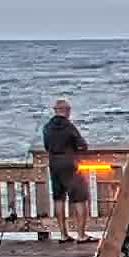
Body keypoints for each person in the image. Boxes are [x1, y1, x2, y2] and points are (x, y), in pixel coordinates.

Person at [42, 98, 94, 243]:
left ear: (55, 111)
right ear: (66, 111)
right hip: (70, 165)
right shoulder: (69, 127)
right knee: (79, 199)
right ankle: (81, 235)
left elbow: (46, 146)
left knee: (58, 199)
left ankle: (63, 235)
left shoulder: (47, 127)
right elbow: (82, 145)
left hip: (54, 164)